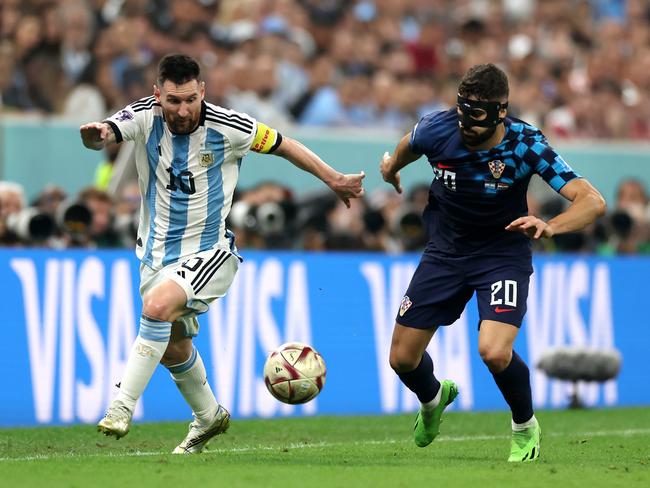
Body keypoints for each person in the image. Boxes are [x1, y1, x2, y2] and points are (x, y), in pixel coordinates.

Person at [80, 54, 365, 454]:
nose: (182, 110)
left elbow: (285, 145)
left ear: (203, 92)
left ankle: (121, 406)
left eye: (190, 100)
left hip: (210, 252)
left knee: (157, 307)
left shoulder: (231, 126)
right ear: (157, 94)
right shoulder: (145, 116)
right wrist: (99, 135)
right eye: (173, 101)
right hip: (155, 256)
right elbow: (111, 128)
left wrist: (333, 178)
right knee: (173, 345)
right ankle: (209, 415)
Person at [379, 63, 606, 462]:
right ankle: (433, 398)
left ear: (501, 111)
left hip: (502, 255)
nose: (465, 125)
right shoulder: (438, 128)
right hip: (446, 252)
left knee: (494, 352)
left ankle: (525, 428)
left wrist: (550, 226)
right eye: (462, 112)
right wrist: (391, 170)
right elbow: (405, 147)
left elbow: (592, 201)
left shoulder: (525, 143)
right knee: (401, 359)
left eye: (476, 117)